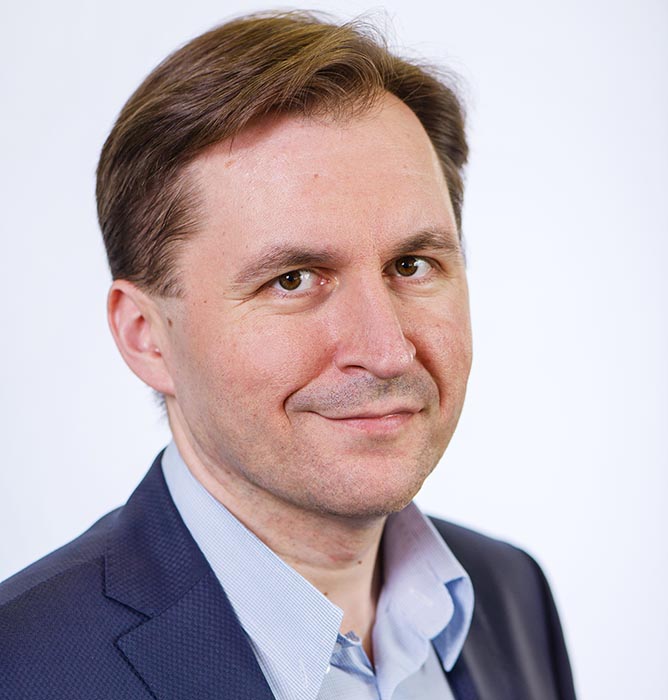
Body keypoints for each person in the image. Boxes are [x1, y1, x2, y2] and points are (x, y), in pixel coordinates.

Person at [0, 11, 576, 700]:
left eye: (412, 264)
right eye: (293, 280)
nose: (387, 351)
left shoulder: (512, 596)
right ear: (146, 335)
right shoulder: (22, 666)